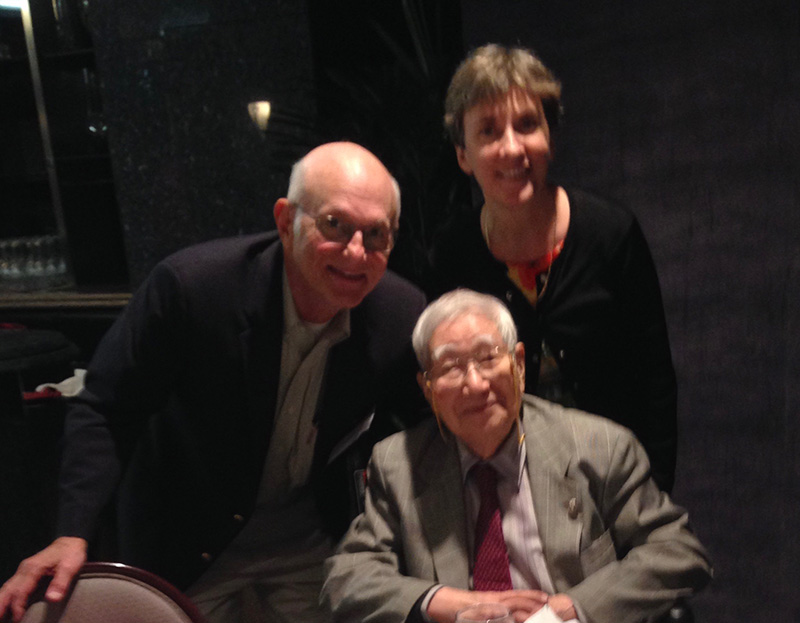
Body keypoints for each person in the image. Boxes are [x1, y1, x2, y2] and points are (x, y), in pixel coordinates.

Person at [0, 142, 427, 623]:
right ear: (286, 221)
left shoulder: (398, 314)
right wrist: (71, 532)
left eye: (377, 234)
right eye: (335, 225)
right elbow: (106, 407)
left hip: (312, 541)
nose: (356, 252)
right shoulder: (193, 289)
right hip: (187, 538)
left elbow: (427, 425)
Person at [322, 289, 712, 623]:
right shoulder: (399, 463)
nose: (475, 384)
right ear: (428, 389)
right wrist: (447, 603)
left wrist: (571, 610)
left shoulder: (599, 445)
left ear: (520, 365)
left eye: (488, 358)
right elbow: (347, 577)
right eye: (451, 367)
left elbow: (677, 551)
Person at [427, 44, 678, 492]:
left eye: (527, 125)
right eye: (488, 131)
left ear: (550, 137)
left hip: (614, 485)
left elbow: (654, 387)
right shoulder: (453, 256)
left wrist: (651, 499)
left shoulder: (610, 234)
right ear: (463, 155)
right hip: (501, 490)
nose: (511, 147)